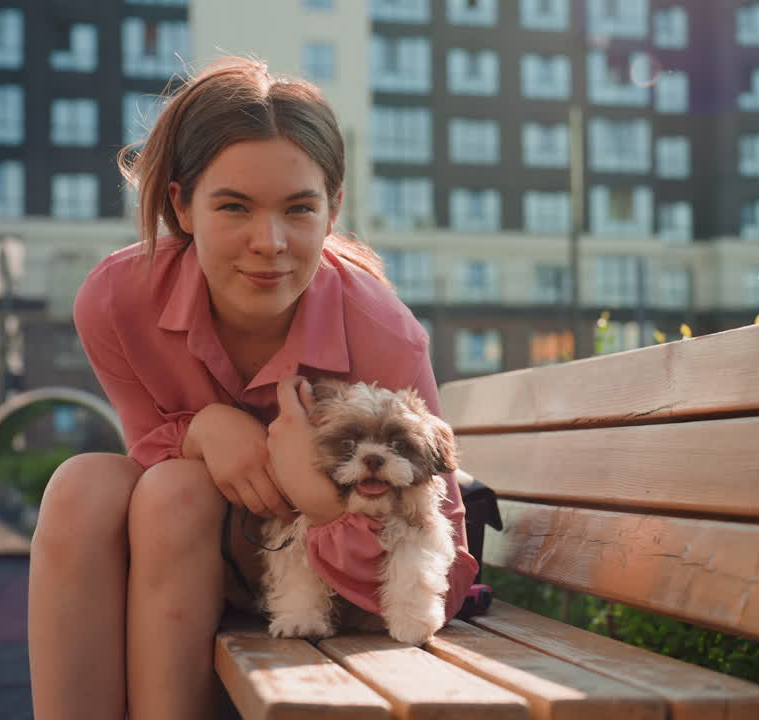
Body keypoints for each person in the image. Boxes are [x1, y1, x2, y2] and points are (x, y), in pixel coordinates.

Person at [28, 57, 479, 720]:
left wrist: (317, 496)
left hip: (330, 578)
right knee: (87, 485)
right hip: (175, 552)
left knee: (176, 489)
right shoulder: (116, 300)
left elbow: (449, 559)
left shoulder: (386, 334)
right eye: (234, 206)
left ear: (333, 211)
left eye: (299, 208)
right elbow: (150, 452)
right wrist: (202, 429)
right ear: (181, 204)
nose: (268, 242)